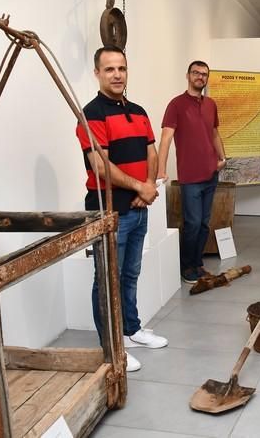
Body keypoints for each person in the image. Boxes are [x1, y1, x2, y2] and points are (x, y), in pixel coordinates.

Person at [76, 46, 168, 372]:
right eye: (110, 69)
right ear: (98, 73)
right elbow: (101, 167)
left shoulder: (139, 110)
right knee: (106, 279)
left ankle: (131, 329)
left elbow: (151, 150)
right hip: (109, 211)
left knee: (130, 274)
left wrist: (148, 186)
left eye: (122, 68)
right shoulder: (91, 114)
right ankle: (111, 348)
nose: (117, 74)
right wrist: (140, 186)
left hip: (138, 207)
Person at [157, 61, 227, 284]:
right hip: (190, 178)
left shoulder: (210, 104)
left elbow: (214, 133)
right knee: (193, 223)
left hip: (210, 174)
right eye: (196, 73)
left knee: (204, 223)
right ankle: (186, 267)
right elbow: (166, 139)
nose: (200, 77)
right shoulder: (176, 105)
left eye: (204, 74)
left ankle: (197, 264)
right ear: (188, 75)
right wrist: (160, 171)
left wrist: (222, 158)